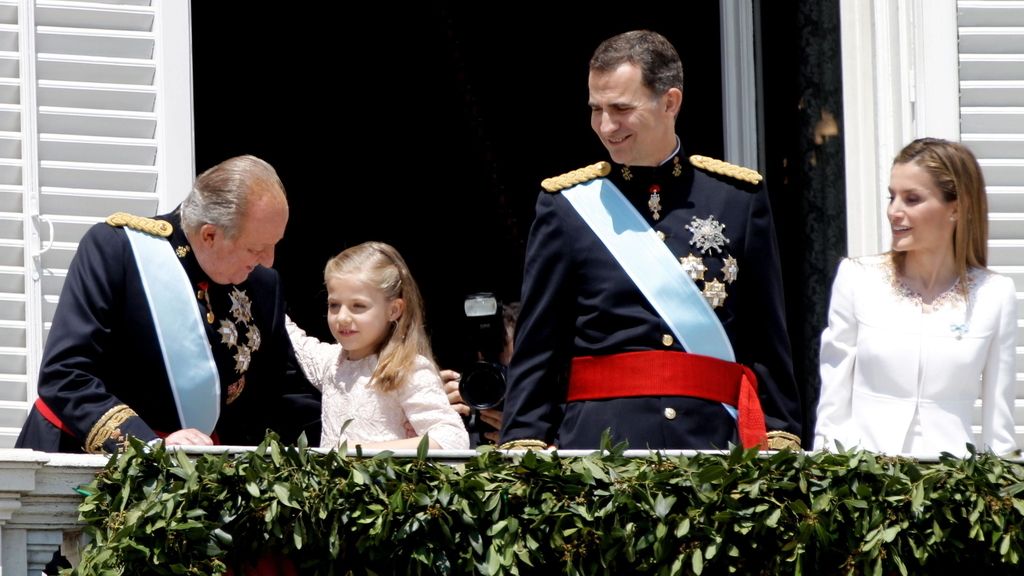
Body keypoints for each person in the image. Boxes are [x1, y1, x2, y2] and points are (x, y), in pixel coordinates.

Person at [498, 30, 802, 451]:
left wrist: (779, 432)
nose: (606, 126)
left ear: (670, 102)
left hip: (713, 445)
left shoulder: (737, 199)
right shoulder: (567, 206)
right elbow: (539, 343)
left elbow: (766, 337)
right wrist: (525, 439)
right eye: (596, 109)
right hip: (599, 448)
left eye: (622, 109)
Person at [15, 155, 322, 454]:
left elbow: (281, 394)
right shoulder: (119, 251)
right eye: (256, 248)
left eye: (274, 245)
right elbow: (65, 375)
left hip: (195, 473)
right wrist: (146, 446)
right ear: (210, 235)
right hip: (84, 457)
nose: (268, 261)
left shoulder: (262, 285)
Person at [814, 137, 1018, 456]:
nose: (894, 211)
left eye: (912, 199)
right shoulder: (857, 279)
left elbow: (999, 425)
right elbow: (833, 408)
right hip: (863, 478)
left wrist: (1001, 481)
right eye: (892, 197)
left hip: (953, 478)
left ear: (956, 208)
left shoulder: (995, 294)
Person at [286, 241, 469, 450]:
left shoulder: (408, 369)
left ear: (393, 310)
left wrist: (365, 452)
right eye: (334, 305)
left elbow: (452, 439)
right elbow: (291, 334)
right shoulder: (331, 362)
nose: (342, 317)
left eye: (358, 306)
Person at [443, 301, 519, 444]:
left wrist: (526, 438)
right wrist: (435, 415)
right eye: (484, 375)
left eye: (508, 371)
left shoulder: (548, 420)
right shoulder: (460, 415)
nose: (489, 385)